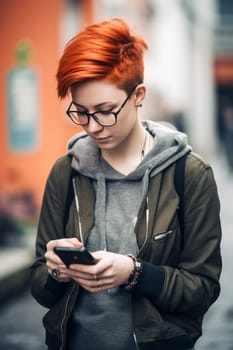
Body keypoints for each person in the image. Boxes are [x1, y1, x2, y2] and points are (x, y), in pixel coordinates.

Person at [30, 18, 222, 350]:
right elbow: (40, 288)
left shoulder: (189, 174)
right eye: (81, 112)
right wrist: (56, 271)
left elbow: (203, 289)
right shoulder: (66, 172)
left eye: (105, 111)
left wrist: (134, 273)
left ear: (138, 95)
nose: (93, 126)